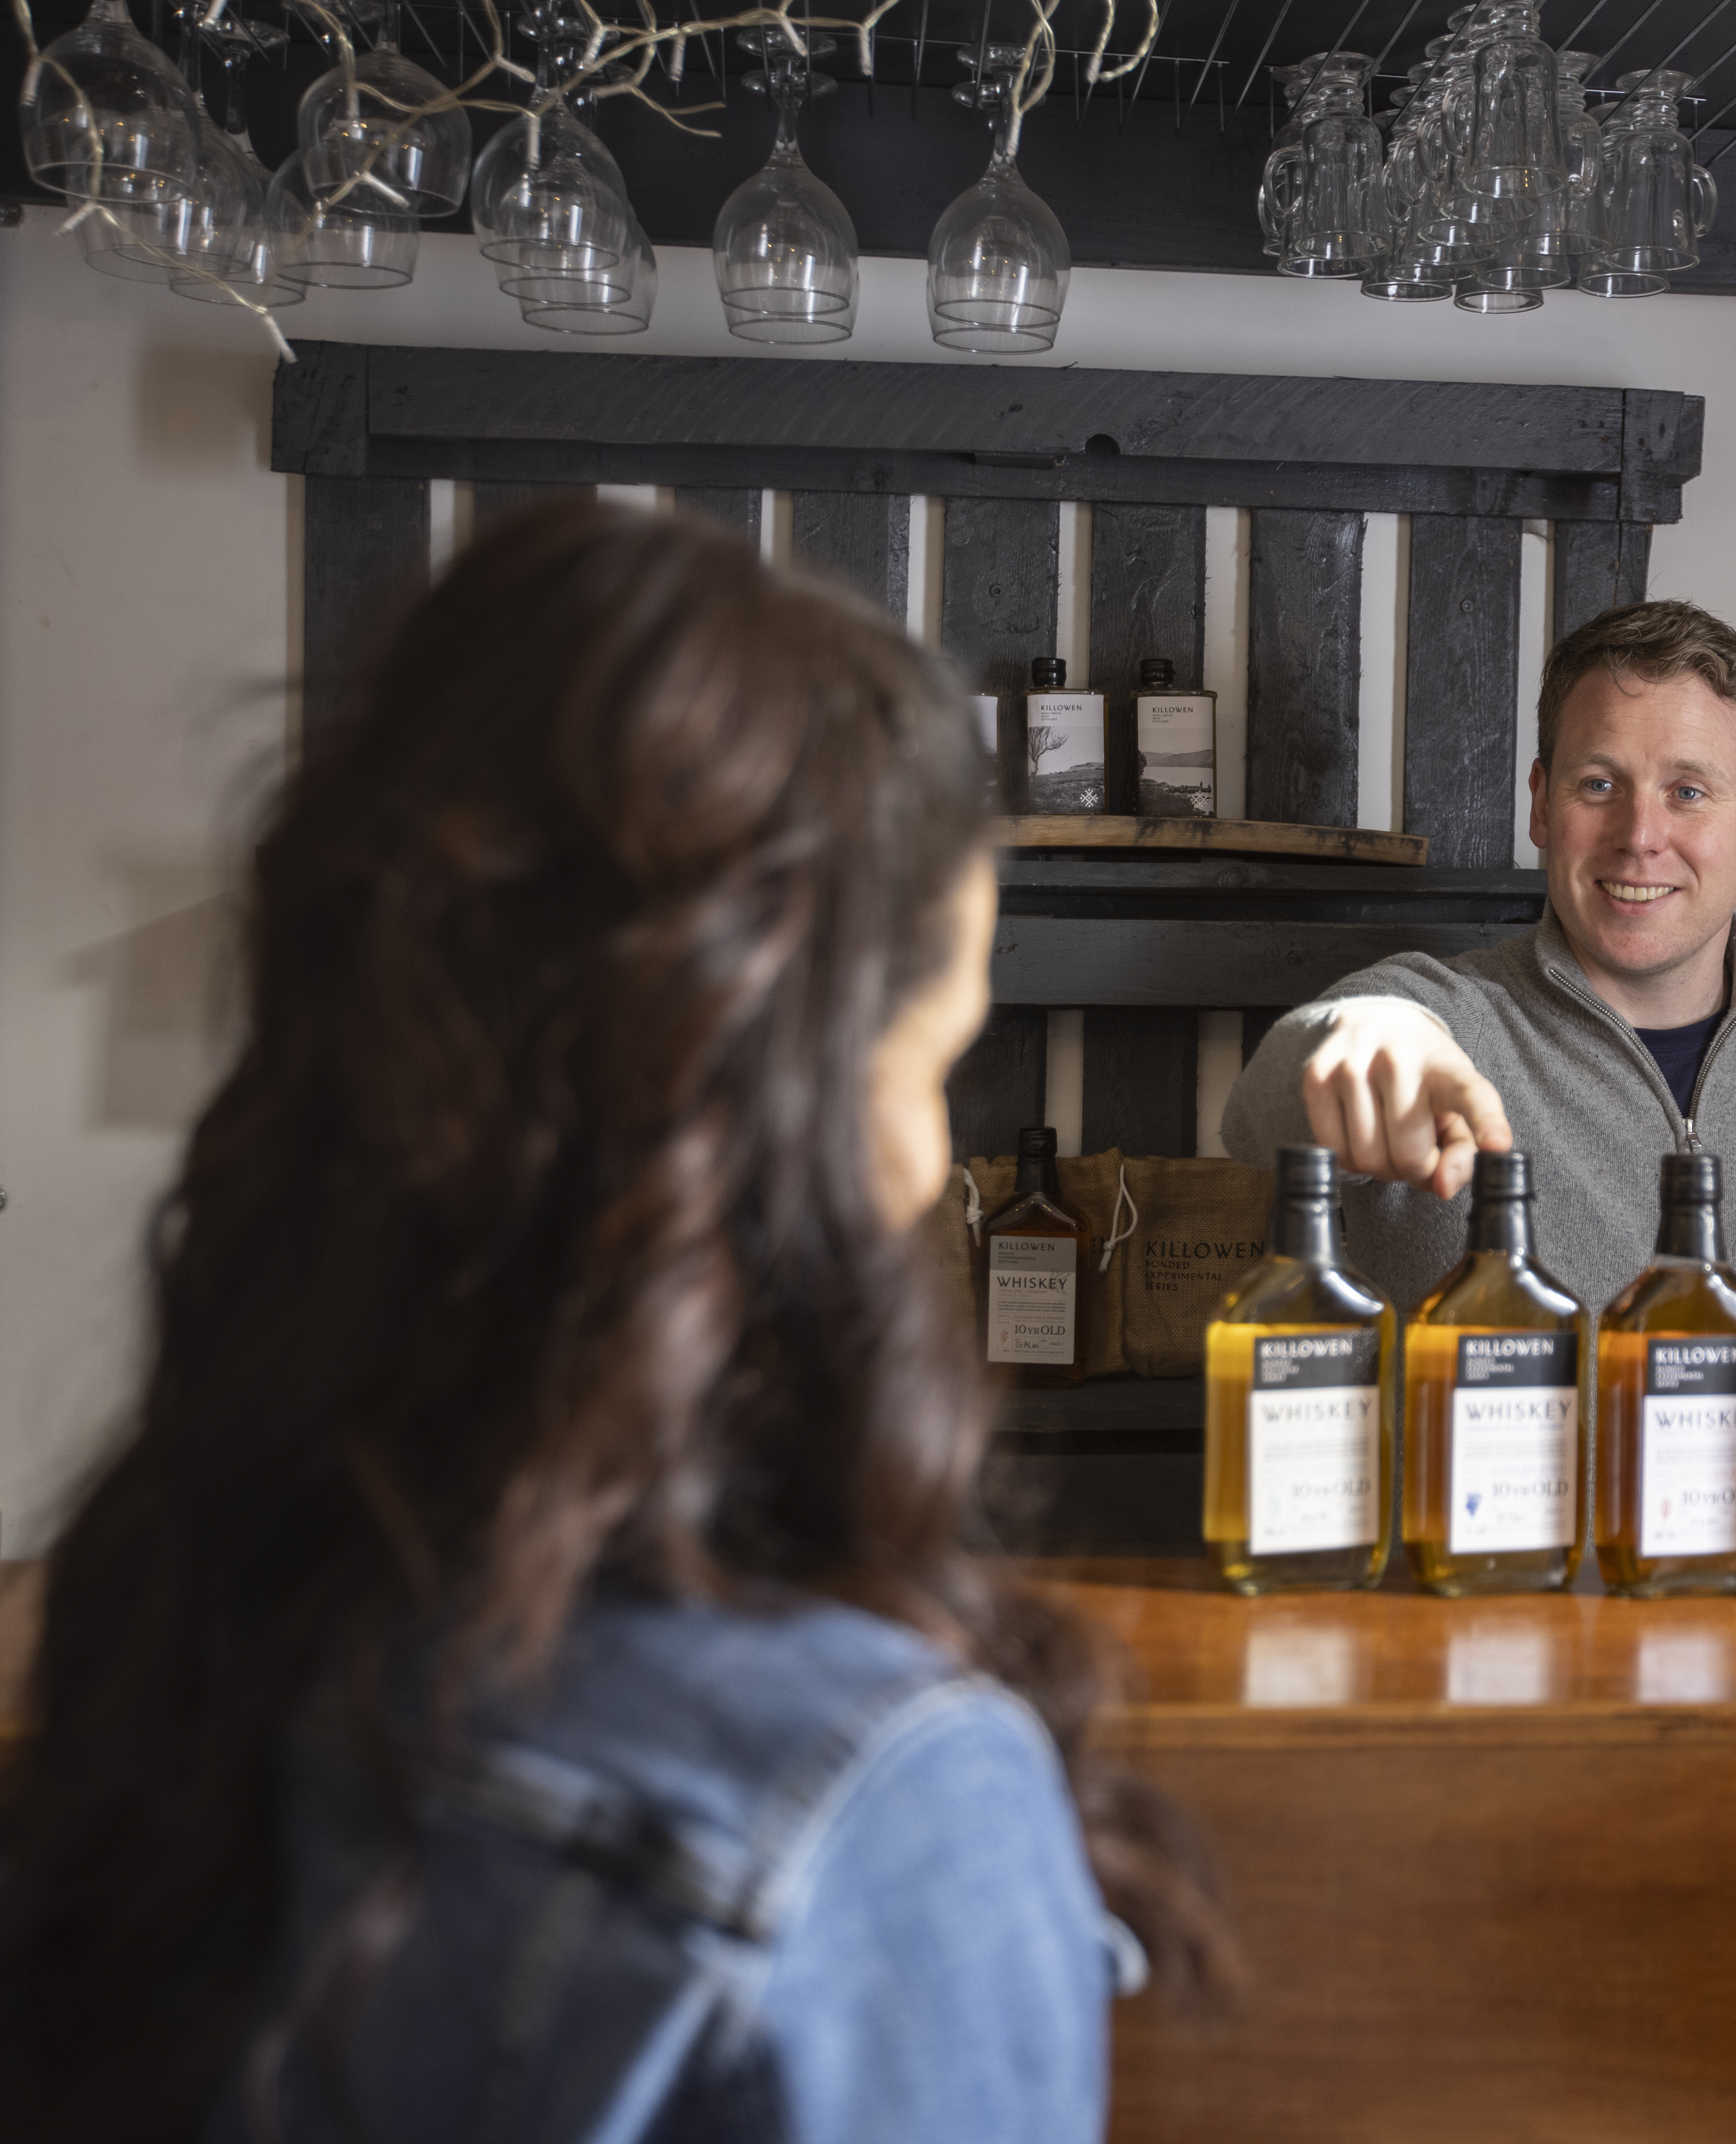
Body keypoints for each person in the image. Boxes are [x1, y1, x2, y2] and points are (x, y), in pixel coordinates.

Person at [0, 504, 1226, 2143]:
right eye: (933, 1065)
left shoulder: (153, 1606)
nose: (929, 1158)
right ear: (783, 1109)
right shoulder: (880, 1796)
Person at [1221, 599, 1736, 1312]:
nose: (1639, 836)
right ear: (1540, 804)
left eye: (1687, 792)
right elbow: (1259, 1116)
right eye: (1599, 785)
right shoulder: (1438, 1022)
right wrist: (1361, 1039)